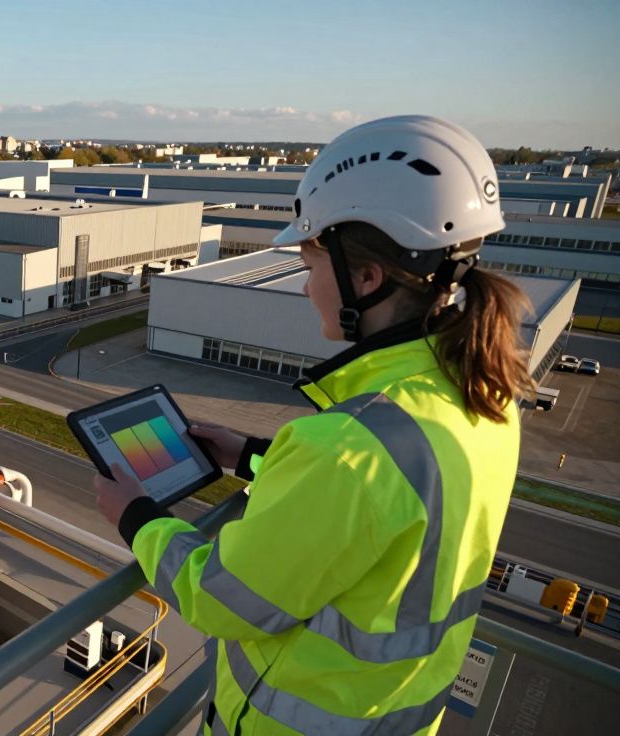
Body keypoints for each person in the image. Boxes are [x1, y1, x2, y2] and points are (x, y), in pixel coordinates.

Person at [94, 115, 533, 735]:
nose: (305, 286)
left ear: (367, 278)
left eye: (311, 263)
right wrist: (251, 455)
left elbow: (223, 597)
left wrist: (135, 517)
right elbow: (380, 507)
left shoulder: (350, 447)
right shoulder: (481, 392)